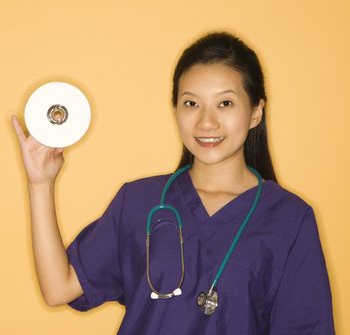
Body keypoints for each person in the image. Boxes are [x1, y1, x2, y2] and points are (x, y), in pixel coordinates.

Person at [12, 31, 336, 334]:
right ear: (176, 110)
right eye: (191, 103)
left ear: (255, 112)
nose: (206, 122)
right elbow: (59, 288)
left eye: (225, 103)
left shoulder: (290, 219)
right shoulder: (138, 201)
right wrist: (40, 184)